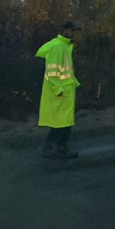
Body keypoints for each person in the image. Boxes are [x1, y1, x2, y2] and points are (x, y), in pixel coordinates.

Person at [36, 21, 81, 158]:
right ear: (64, 30)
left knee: (63, 123)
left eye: (75, 31)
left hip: (65, 92)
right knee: (61, 124)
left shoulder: (64, 46)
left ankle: (57, 148)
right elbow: (52, 72)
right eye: (72, 31)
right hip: (60, 93)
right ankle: (55, 149)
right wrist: (59, 90)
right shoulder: (58, 47)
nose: (74, 34)